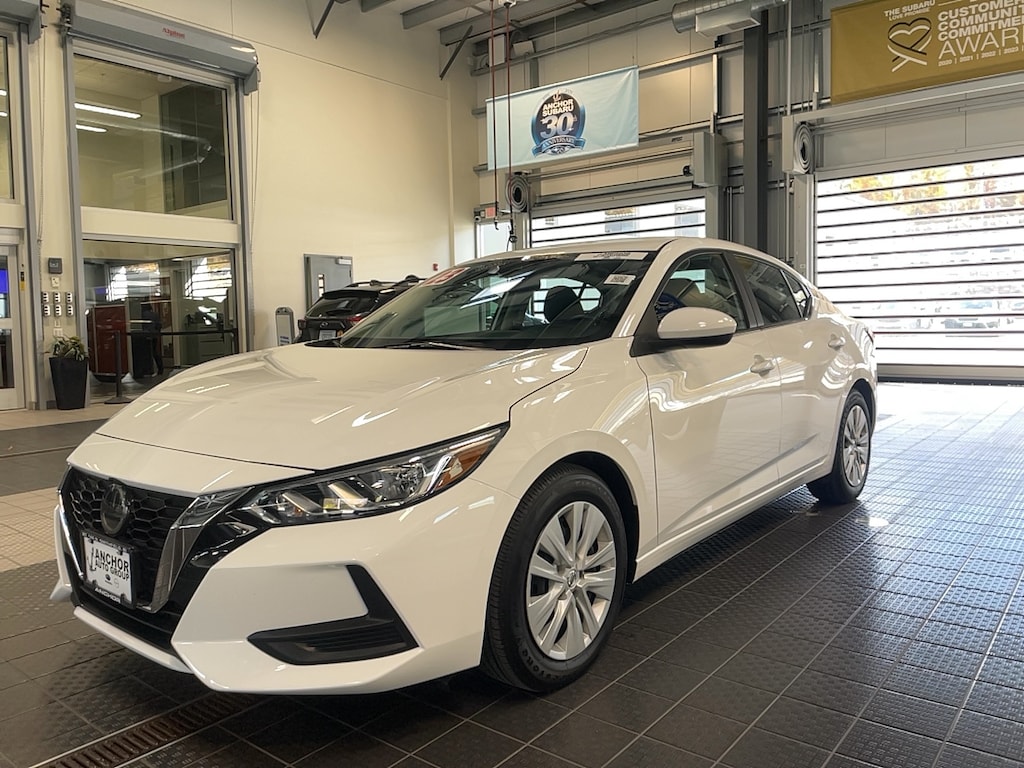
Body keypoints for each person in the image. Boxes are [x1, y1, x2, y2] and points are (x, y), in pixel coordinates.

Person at [140, 302, 164, 375]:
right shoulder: (155, 315)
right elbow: (159, 325)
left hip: (145, 335)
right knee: (154, 352)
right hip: (154, 335)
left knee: (146, 353)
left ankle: (147, 370)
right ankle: (160, 368)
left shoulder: (143, 314)